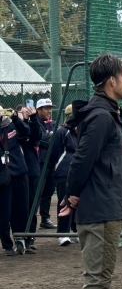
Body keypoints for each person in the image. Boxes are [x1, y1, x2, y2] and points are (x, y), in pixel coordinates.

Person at [62, 53, 122, 289]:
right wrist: (72, 195)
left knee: (102, 277)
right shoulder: (101, 116)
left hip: (107, 206)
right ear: (111, 81)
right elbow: (81, 160)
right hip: (99, 209)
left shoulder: (108, 111)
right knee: (97, 279)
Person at [0, 106, 33, 255]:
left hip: (19, 172)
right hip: (3, 176)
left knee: (22, 208)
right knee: (5, 212)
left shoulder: (12, 125)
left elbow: (26, 132)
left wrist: (15, 118)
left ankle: (23, 239)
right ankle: (7, 244)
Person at [49, 104, 78, 246]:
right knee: (63, 201)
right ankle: (62, 233)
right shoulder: (61, 131)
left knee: (76, 201)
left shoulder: (79, 133)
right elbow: (53, 153)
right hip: (64, 172)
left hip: (76, 173)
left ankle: (75, 230)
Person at [19, 104, 41, 251]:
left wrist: (32, 119)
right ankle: (19, 236)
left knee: (32, 205)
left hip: (32, 171)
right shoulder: (13, 127)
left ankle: (30, 237)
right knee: (19, 206)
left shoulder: (33, 125)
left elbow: (36, 136)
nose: (24, 114)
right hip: (17, 173)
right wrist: (20, 120)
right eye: (21, 113)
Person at [35, 98, 57, 230]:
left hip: (51, 162)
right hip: (39, 163)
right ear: (39, 110)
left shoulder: (52, 124)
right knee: (38, 192)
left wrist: (50, 138)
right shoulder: (35, 123)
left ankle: (45, 219)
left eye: (50, 108)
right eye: (46, 108)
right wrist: (50, 138)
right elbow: (41, 139)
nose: (49, 111)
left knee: (48, 191)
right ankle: (31, 219)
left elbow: (56, 139)